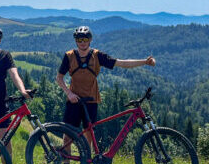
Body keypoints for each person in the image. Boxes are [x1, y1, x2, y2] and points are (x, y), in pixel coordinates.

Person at [56, 25, 155, 156]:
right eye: (79, 40)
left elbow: (122, 63)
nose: (83, 43)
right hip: (74, 100)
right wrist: (69, 93)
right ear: (76, 41)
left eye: (85, 39)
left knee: (88, 134)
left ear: (90, 40)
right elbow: (59, 78)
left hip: (91, 100)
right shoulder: (69, 56)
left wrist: (144, 62)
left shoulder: (97, 56)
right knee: (67, 135)